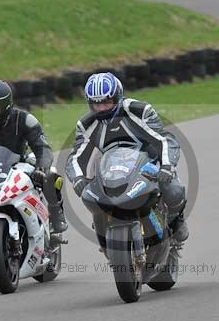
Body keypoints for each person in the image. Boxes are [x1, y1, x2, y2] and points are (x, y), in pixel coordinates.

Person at [66, 72, 188, 248]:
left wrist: (167, 166)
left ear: (118, 97)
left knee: (173, 190)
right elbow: (76, 156)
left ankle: (176, 220)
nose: (102, 109)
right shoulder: (86, 125)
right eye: (96, 104)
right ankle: (104, 230)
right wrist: (77, 178)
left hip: (149, 163)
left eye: (106, 102)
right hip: (111, 169)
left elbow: (164, 139)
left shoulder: (140, 111)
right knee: (92, 196)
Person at [0, 79, 68, 234]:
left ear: (7, 104)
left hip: (20, 164)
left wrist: (41, 168)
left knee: (51, 175)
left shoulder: (25, 119)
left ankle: (56, 215)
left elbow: (42, 147)